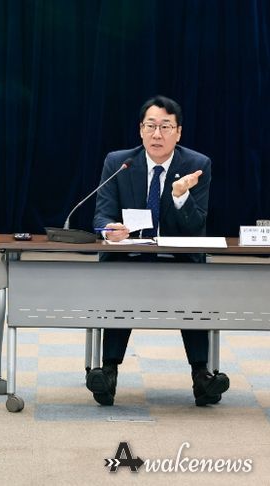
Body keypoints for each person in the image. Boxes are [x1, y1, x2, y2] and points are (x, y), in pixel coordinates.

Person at [89, 95, 227, 407]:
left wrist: (180, 196)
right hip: (129, 257)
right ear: (140, 130)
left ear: (178, 132)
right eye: (150, 126)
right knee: (120, 281)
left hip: (180, 260)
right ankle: (107, 372)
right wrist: (109, 228)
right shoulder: (119, 163)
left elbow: (196, 225)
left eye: (166, 127)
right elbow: (101, 215)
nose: (157, 134)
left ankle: (202, 375)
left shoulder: (197, 165)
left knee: (193, 284)